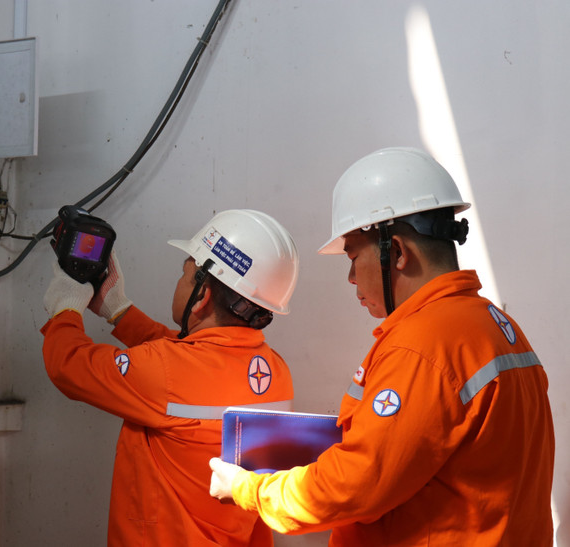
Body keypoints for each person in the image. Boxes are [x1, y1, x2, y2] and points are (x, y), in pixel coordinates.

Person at [209, 147, 555, 545]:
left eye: (354, 256)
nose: (352, 277)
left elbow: (355, 486)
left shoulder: (423, 346)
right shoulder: (496, 325)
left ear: (399, 252)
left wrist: (249, 489)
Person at [41, 209, 300, 546]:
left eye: (185, 273)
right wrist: (119, 311)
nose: (180, 281)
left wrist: (65, 307)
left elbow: (68, 365)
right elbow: (188, 360)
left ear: (202, 295)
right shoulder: (275, 371)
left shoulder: (167, 370)